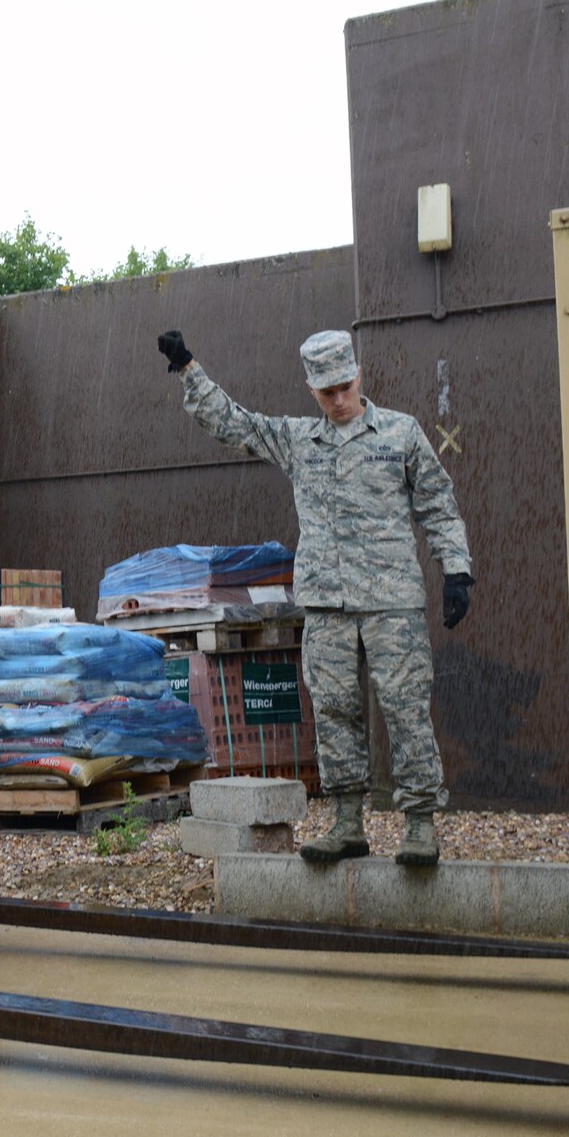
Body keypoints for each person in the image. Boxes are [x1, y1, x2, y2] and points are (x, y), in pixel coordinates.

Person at [154, 328, 473, 867]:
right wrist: (188, 368)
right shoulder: (301, 441)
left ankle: (420, 825)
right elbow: (235, 424)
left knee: (406, 713)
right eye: (328, 393)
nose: (341, 400)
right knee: (333, 713)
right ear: (311, 390)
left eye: (346, 386)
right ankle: (348, 823)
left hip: (392, 602)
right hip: (326, 605)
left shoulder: (401, 434)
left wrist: (457, 570)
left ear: (359, 374)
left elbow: (439, 504)